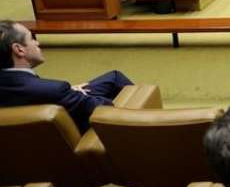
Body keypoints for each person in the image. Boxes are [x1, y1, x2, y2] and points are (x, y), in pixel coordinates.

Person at [0, 20, 134, 133]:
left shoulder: (51, 90)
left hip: (31, 136)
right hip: (75, 134)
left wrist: (69, 92)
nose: (37, 43)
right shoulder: (55, 90)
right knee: (120, 93)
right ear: (19, 49)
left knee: (113, 78)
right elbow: (105, 107)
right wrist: (70, 94)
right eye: (32, 38)